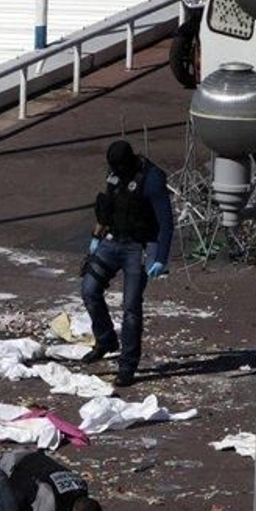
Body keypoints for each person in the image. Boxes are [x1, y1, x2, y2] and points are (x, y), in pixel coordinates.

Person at [81, 140, 174, 388]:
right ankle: (106, 339)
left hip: (138, 248)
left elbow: (166, 221)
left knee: (131, 308)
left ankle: (128, 365)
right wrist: (95, 240)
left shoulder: (150, 179)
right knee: (89, 289)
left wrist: (161, 257)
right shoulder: (114, 175)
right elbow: (106, 209)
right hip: (112, 242)